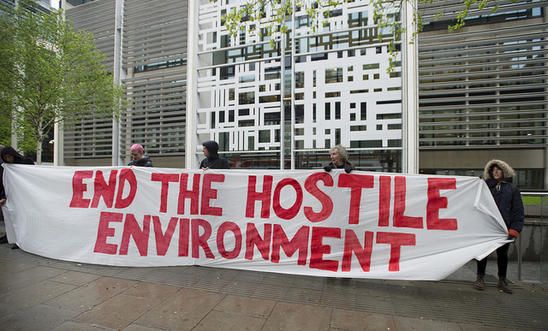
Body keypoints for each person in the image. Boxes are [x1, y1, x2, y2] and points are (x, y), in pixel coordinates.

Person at [473, 159, 524, 294]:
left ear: (504, 171)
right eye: (493, 170)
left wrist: (514, 229)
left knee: (502, 255)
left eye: (498, 169)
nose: (495, 172)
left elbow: (517, 210)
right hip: (486, 227)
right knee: (482, 253)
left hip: (504, 228)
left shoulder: (512, 189)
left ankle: (502, 280)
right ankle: (480, 278)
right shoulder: (484, 188)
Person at [0, 147, 34, 247]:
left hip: (25, 196)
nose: (8, 159)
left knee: (23, 217)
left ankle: (22, 239)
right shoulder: (4, 167)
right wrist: (3, 196)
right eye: (5, 157)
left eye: (9, 156)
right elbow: (3, 182)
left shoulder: (26, 162)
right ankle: (11, 237)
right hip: (12, 196)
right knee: (11, 216)